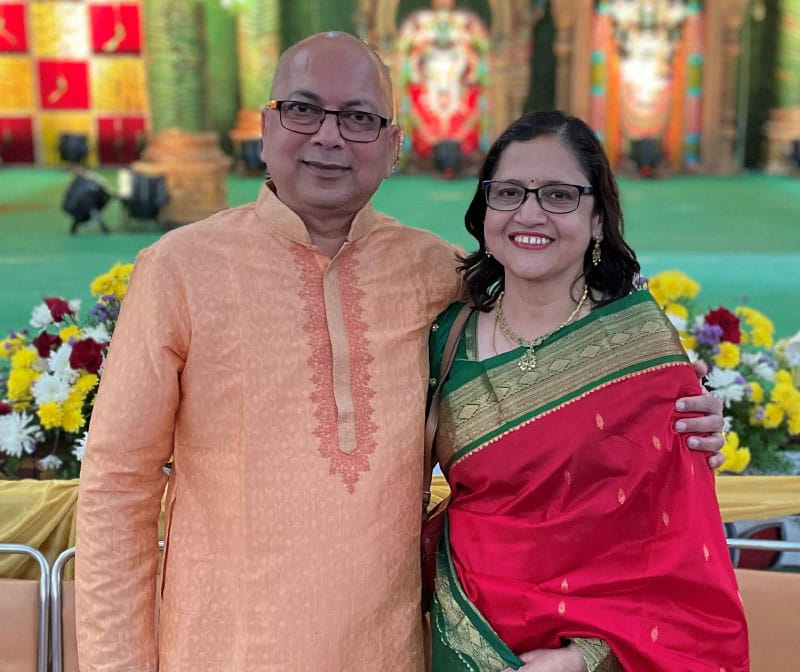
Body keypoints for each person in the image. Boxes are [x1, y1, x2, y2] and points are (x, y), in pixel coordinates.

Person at [75, 33, 725, 672]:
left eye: (359, 117)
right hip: (226, 651)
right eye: (303, 110)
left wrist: (672, 417)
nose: (328, 136)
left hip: (394, 655)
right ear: (267, 128)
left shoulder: (437, 272)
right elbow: (116, 490)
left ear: (393, 147)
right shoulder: (180, 271)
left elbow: (560, 383)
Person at [427, 110, 748, 672]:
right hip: (460, 635)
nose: (529, 213)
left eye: (558, 195)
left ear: (598, 218)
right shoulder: (443, 338)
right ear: (485, 211)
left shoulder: (641, 350)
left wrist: (585, 658)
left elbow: (677, 554)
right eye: (508, 192)